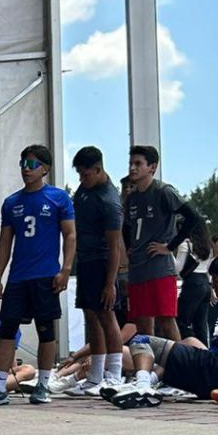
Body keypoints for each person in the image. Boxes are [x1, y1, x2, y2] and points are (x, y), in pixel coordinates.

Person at [0, 144, 75, 408]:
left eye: (31, 165)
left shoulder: (58, 198)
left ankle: (43, 384)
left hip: (46, 275)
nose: (26, 170)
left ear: (45, 169)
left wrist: (65, 269)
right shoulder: (11, 202)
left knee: (46, 330)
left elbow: (70, 235)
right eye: (23, 164)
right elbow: (4, 241)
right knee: (7, 328)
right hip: (18, 277)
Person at [111, 251, 218, 409]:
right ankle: (150, 381)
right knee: (190, 341)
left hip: (215, 367)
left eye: (216, 280)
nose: (213, 286)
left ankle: (142, 385)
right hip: (215, 373)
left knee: (141, 340)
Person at [123, 145, 202, 342]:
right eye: (131, 163)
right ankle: (148, 361)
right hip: (138, 268)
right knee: (142, 323)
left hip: (159, 268)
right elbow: (126, 226)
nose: (132, 168)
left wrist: (169, 247)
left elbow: (193, 217)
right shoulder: (132, 198)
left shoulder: (163, 191)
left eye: (138, 163)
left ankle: (178, 358)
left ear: (152, 167)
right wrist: (128, 247)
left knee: (166, 320)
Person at [67, 146, 125, 395]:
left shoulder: (109, 201)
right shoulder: (83, 191)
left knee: (106, 315)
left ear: (99, 170)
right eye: (79, 174)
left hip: (103, 262)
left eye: (86, 174)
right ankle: (95, 376)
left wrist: (110, 283)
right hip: (86, 261)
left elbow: (115, 247)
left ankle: (115, 375)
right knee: (90, 315)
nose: (82, 179)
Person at [174, 224, 214, 346]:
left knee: (181, 321)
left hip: (192, 282)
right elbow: (209, 268)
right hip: (205, 282)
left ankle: (188, 346)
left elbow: (177, 268)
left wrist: (168, 252)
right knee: (200, 323)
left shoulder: (185, 245)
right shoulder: (208, 246)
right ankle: (203, 350)